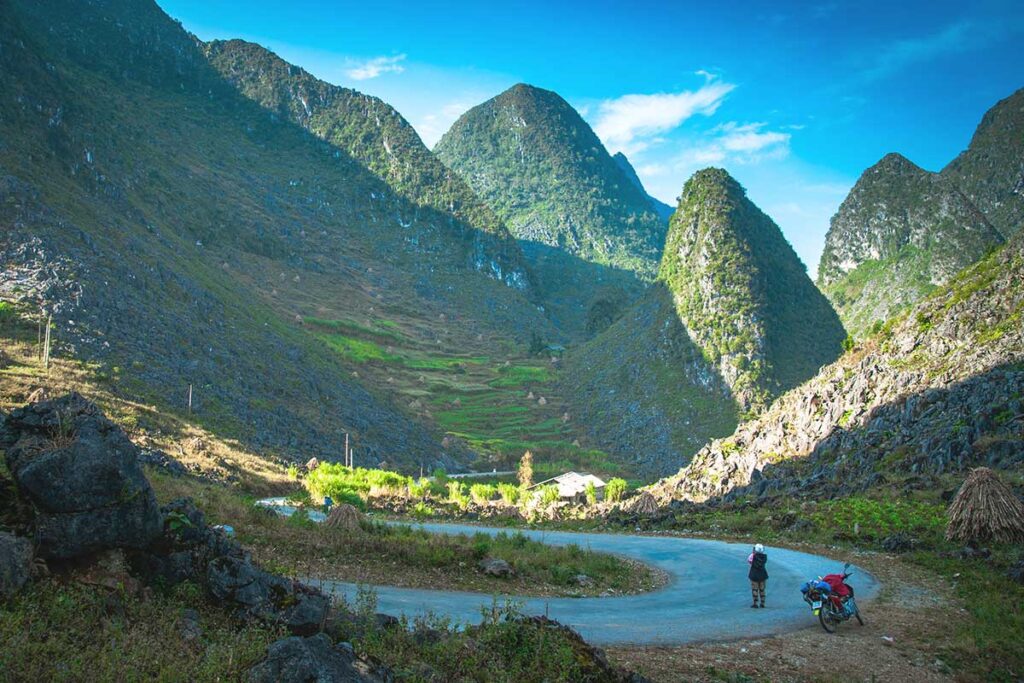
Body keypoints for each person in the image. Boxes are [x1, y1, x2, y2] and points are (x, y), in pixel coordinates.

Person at [747, 543, 768, 608]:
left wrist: (753, 553)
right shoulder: (764, 557)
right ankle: (763, 603)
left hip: (754, 574)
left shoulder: (753, 556)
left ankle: (755, 603)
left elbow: (749, 560)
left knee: (755, 589)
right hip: (763, 574)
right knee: (762, 589)